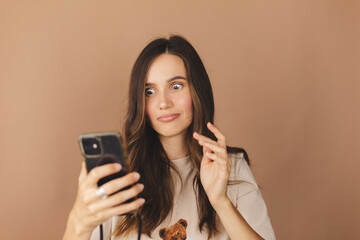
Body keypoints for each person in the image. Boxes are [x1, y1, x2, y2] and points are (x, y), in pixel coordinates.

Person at [63, 35, 276, 240]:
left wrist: (220, 201)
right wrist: (77, 221)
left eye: (176, 86)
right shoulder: (118, 178)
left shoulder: (231, 168)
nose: (163, 102)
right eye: (149, 91)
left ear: (197, 92)